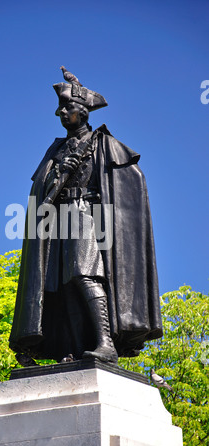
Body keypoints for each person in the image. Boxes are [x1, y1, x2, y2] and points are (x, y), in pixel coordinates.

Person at [9, 75, 163, 364]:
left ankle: (106, 343)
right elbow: (40, 186)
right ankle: (78, 349)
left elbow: (130, 180)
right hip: (58, 217)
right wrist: (56, 174)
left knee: (84, 274)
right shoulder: (55, 150)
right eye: (60, 110)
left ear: (83, 111)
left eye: (67, 108)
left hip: (86, 213)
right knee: (64, 283)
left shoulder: (101, 143)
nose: (61, 114)